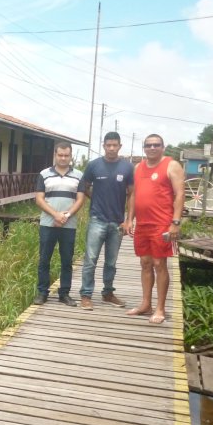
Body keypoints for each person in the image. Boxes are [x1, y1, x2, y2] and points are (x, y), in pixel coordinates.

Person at [125, 134, 185, 324]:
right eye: (148, 145)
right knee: (145, 263)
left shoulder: (171, 165)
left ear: (163, 147)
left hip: (162, 223)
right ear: (144, 148)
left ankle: (160, 308)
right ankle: (145, 304)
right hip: (143, 224)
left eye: (156, 145)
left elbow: (180, 194)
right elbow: (134, 195)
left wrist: (175, 222)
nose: (152, 148)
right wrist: (129, 219)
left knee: (160, 264)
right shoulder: (138, 167)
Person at [77, 132, 134, 310]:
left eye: (114, 145)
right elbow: (84, 186)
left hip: (117, 222)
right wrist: (96, 198)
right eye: (108, 145)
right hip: (97, 219)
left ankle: (108, 293)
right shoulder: (94, 165)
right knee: (91, 259)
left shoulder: (127, 167)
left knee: (111, 262)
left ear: (119, 146)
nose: (111, 148)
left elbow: (132, 194)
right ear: (103, 146)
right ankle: (86, 294)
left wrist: (129, 220)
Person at [33, 142, 85, 306]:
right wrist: (55, 215)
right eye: (60, 155)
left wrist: (66, 215)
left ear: (71, 156)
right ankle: (42, 293)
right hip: (48, 223)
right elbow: (39, 199)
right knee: (44, 260)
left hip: (68, 225)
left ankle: (64, 293)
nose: (63, 158)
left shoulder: (79, 175)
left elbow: (80, 199)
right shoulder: (44, 174)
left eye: (66, 155)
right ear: (55, 155)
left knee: (67, 260)